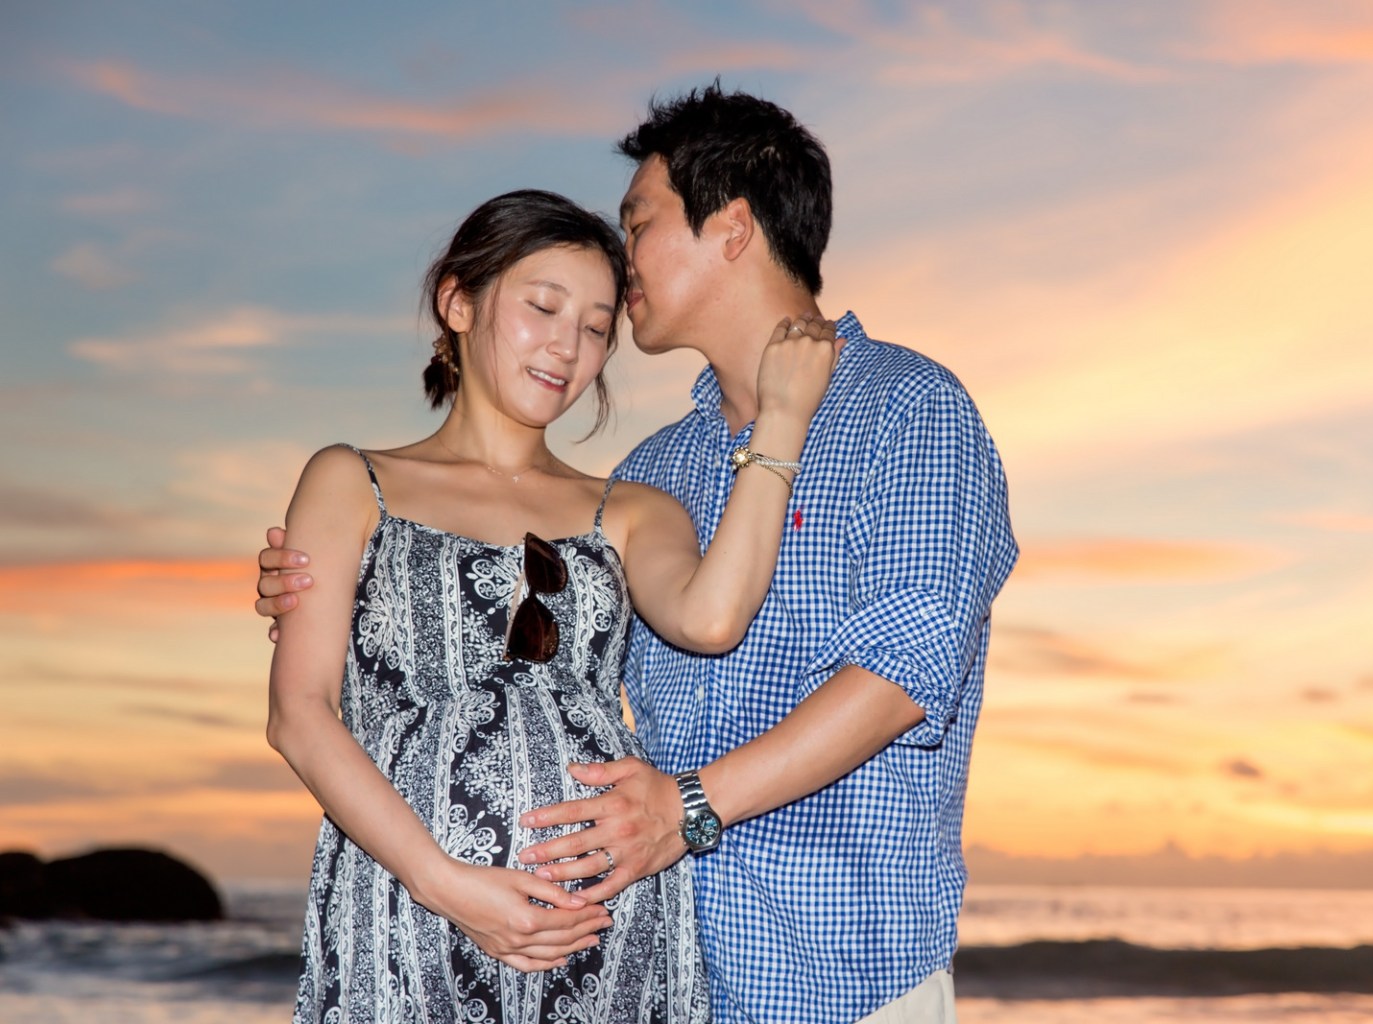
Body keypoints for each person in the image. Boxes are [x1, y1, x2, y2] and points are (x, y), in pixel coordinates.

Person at [259, 84, 1017, 1023]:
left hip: (834, 969)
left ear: (731, 228)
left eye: (639, 222)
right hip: (664, 957)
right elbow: (531, 660)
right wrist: (359, 595)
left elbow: (908, 669)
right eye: (548, 307)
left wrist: (687, 808)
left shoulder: (908, 410)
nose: (621, 266)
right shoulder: (658, 467)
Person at [263, 187, 839, 1023]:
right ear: (457, 301)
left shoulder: (633, 509)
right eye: (542, 307)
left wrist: (780, 424)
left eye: (598, 326)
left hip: (612, 930)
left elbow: (712, 619)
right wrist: (446, 884)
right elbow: (299, 715)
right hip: (411, 912)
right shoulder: (351, 481)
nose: (568, 346)